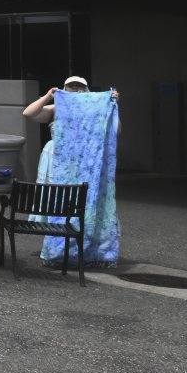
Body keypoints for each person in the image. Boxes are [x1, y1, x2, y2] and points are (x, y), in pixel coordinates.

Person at [23, 75, 122, 266]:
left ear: (86, 89)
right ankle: (57, 244)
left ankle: (84, 246)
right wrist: (49, 95)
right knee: (57, 203)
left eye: (79, 86)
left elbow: (116, 131)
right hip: (58, 160)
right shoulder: (58, 107)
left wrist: (113, 105)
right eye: (71, 86)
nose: (75, 89)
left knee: (81, 203)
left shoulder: (96, 110)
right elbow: (28, 113)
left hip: (84, 162)